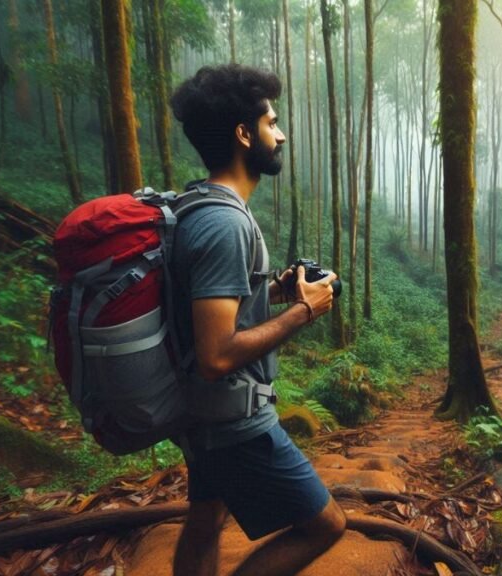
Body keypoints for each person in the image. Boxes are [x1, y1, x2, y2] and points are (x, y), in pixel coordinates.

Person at [167, 64, 345, 576]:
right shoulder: (225, 223)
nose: (282, 133)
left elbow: (209, 307)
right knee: (327, 525)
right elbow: (217, 353)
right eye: (272, 123)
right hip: (235, 423)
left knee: (204, 523)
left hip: (204, 418)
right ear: (244, 135)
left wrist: (273, 291)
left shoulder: (198, 206)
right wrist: (304, 309)